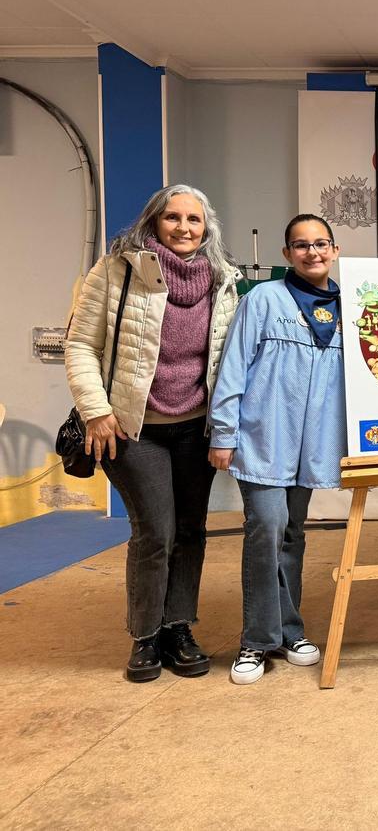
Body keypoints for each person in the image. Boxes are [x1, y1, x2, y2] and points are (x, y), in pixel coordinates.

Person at [64, 184, 240, 682]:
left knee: (190, 529)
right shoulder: (117, 270)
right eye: (173, 218)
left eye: (195, 220)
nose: (184, 228)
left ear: (207, 228)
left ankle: (178, 627)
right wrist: (97, 411)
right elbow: (80, 344)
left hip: (195, 428)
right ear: (153, 221)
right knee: (155, 531)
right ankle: (145, 635)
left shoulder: (221, 279)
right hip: (131, 428)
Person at [208, 214, 346, 685]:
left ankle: (290, 631)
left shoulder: (352, 308)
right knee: (266, 529)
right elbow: (233, 369)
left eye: (321, 243)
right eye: (301, 245)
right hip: (264, 437)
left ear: (335, 250)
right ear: (286, 254)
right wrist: (223, 433)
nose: (313, 252)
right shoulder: (264, 300)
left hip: (313, 445)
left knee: (292, 534)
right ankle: (256, 640)